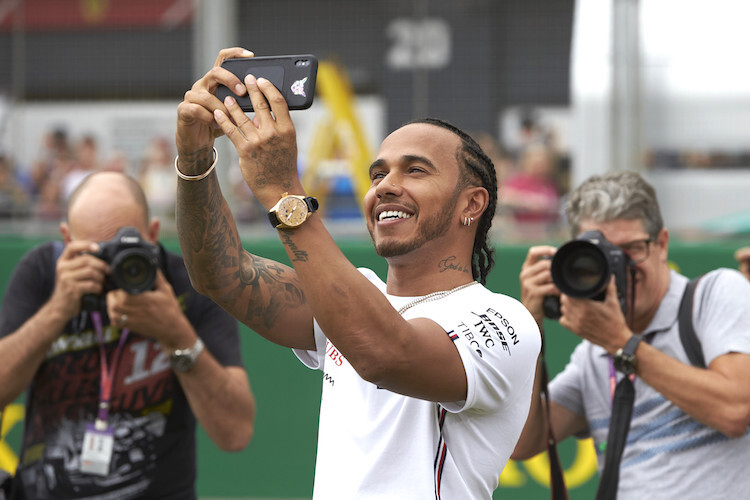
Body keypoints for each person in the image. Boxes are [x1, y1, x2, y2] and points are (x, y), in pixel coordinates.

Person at [174, 47, 540, 499]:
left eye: (416, 170)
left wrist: (283, 190)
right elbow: (222, 273)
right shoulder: (352, 295)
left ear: (472, 204)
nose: (385, 185)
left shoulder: (505, 321)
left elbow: (384, 354)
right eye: (378, 173)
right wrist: (194, 157)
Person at [0, 171, 255, 499]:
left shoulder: (189, 286)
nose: (110, 265)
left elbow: (235, 433)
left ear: (152, 235)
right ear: (67, 239)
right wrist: (56, 311)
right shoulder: (43, 275)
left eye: (123, 248)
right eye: (94, 252)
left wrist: (176, 334)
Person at [512, 171, 750, 499]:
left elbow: (736, 410)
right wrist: (529, 330)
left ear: (662, 244)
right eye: (603, 255)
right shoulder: (592, 356)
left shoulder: (712, 296)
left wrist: (621, 344)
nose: (619, 268)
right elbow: (522, 442)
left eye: (631, 249)